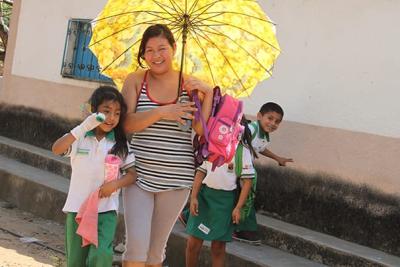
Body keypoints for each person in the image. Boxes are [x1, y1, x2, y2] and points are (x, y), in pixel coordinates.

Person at [121, 24, 213, 267]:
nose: (156, 55)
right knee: (135, 250)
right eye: (149, 50)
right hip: (138, 176)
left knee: (155, 253)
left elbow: (201, 130)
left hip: (176, 180)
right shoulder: (135, 80)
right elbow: (126, 124)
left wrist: (208, 94)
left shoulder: (189, 84)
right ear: (143, 54)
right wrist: (162, 112)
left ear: (174, 48)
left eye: (162, 48)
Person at [52, 86, 137, 267]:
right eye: (106, 111)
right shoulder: (80, 138)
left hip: (106, 210)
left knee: (102, 255)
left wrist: (115, 185)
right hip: (77, 209)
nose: (112, 118)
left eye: (117, 113)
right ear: (94, 111)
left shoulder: (120, 144)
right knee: (76, 260)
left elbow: (132, 175)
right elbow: (57, 148)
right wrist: (84, 127)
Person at [185, 116, 256, 267]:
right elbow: (200, 171)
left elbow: (247, 181)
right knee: (193, 244)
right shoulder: (211, 146)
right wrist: (194, 197)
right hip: (204, 198)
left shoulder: (242, 151)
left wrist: (238, 207)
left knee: (218, 247)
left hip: (226, 202)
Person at [233, 102, 293, 244]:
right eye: (270, 118)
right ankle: (241, 229)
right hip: (237, 168)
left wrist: (278, 158)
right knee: (245, 196)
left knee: (245, 197)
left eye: (277, 121)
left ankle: (242, 228)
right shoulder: (252, 128)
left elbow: (259, 148)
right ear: (259, 116)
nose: (273, 123)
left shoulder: (264, 135)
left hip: (245, 170)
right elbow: (237, 141)